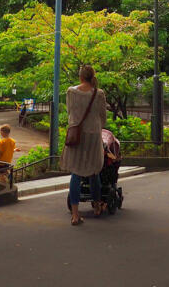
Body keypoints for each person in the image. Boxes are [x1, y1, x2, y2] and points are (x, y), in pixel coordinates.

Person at [59, 64, 107, 225]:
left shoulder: (71, 92)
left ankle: (74, 214)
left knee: (76, 172)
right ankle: (97, 206)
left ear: (80, 76)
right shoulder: (99, 94)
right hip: (93, 135)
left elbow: (69, 112)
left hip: (76, 135)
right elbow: (103, 117)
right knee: (94, 171)